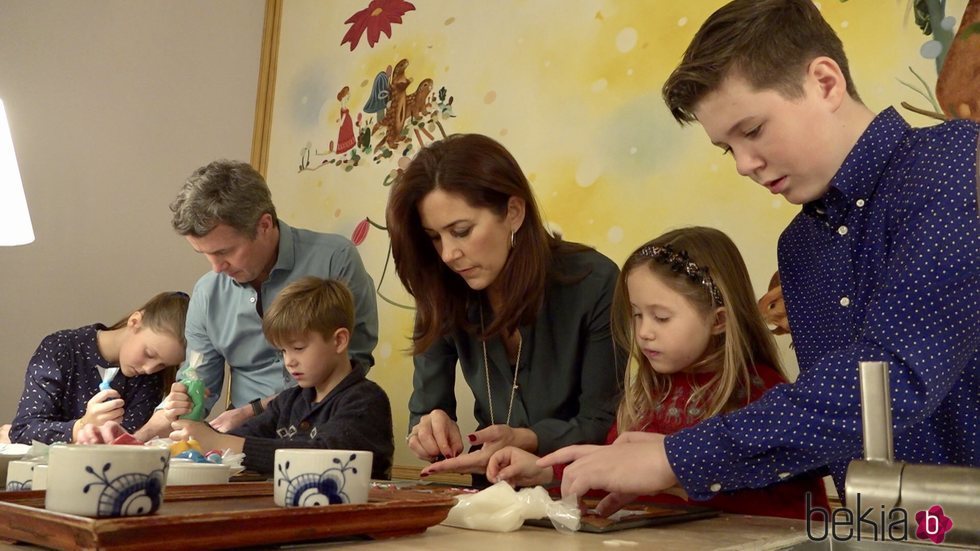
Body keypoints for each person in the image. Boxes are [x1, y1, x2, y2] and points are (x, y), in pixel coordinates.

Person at [541, 0, 979, 516]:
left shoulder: (954, 163)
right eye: (728, 148)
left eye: (752, 130)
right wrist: (673, 469)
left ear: (825, 82)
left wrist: (681, 458)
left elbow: (894, 379)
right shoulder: (799, 248)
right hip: (887, 530)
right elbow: (840, 433)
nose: (745, 165)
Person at [488, 228, 829, 519]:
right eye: (637, 315)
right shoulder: (646, 393)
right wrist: (543, 468)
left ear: (719, 320)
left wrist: (677, 477)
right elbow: (612, 466)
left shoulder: (766, 399)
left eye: (661, 317)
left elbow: (787, 512)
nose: (644, 332)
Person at [386, 133, 625, 478]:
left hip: (577, 491)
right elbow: (426, 407)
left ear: (513, 213)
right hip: (492, 496)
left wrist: (525, 438)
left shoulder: (595, 281)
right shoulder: (440, 289)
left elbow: (602, 422)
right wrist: (428, 429)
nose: (448, 254)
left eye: (462, 230)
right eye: (435, 237)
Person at [135, 160, 379, 440]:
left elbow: (353, 366)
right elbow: (198, 384)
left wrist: (255, 410)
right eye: (204, 254)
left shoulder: (336, 259)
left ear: (264, 225)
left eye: (225, 251)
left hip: (321, 434)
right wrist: (143, 433)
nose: (216, 268)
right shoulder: (207, 293)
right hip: (241, 445)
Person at [163, 277, 392, 478]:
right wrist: (201, 435)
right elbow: (241, 437)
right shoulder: (289, 401)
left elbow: (324, 458)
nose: (289, 361)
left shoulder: (366, 400)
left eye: (299, 348)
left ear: (339, 341)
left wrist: (220, 442)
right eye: (283, 351)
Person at [10, 292, 189, 444]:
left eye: (162, 365)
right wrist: (81, 426)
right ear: (135, 322)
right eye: (149, 353)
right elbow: (23, 431)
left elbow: (125, 446)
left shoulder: (151, 379)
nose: (149, 369)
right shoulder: (60, 349)